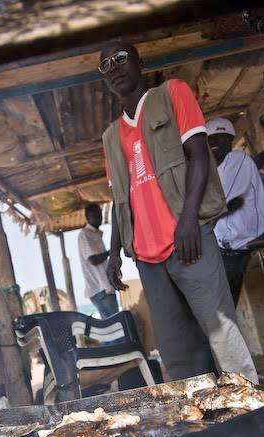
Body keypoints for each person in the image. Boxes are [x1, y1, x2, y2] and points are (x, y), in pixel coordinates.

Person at [99, 40, 258, 383]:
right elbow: (120, 199)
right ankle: (207, 422)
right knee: (178, 351)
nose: (113, 67)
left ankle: (252, 415)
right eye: (106, 65)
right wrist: (114, 253)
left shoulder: (172, 94)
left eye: (120, 58)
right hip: (147, 258)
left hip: (189, 239)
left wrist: (188, 220)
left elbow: (200, 156)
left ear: (139, 61)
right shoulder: (110, 137)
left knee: (222, 333)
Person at [207, 117, 264, 306]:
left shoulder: (237, 159)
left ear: (230, 140)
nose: (214, 143)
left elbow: (223, 204)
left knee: (222, 308)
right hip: (228, 248)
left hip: (244, 241)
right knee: (221, 307)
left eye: (220, 138)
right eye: (210, 139)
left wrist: (209, 216)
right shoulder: (214, 171)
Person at [78, 203, 119, 318]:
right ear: (88, 218)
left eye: (99, 215)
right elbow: (93, 260)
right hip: (99, 290)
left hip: (105, 288)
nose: (99, 218)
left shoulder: (96, 234)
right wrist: (112, 251)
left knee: (115, 326)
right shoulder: (85, 234)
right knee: (114, 327)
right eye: (95, 216)